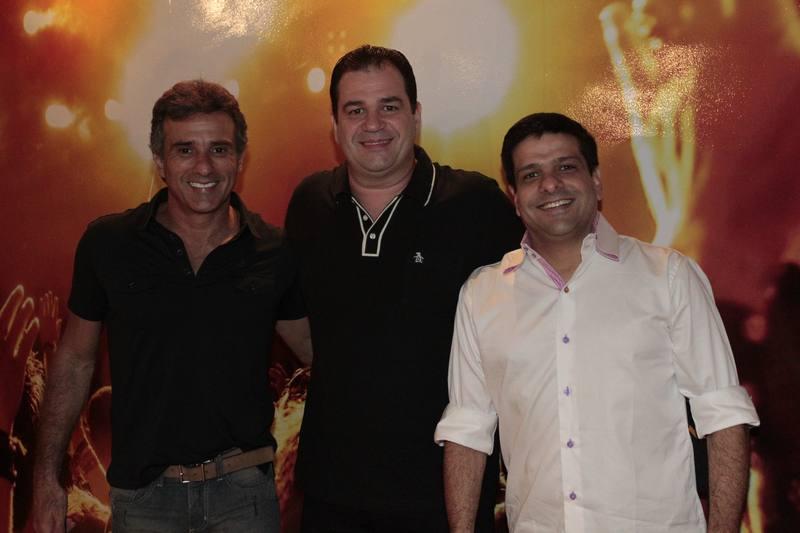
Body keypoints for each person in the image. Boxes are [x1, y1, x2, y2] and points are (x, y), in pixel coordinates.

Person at [435, 112, 760, 532]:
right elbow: (467, 432)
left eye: (565, 167)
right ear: (514, 196)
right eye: (531, 175)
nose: (550, 184)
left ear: (597, 180)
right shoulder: (482, 295)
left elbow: (724, 416)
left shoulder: (668, 276)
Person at [32, 80, 311, 533]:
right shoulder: (109, 244)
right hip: (144, 500)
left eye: (219, 149)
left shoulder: (275, 251)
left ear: (240, 158)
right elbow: (75, 361)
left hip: (244, 499)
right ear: (160, 161)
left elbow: (320, 353)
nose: (204, 166)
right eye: (185, 150)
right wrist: (46, 478)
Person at [285, 45, 523, 532]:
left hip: (445, 491)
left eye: (389, 106)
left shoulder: (475, 204)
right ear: (335, 125)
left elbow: (526, 325)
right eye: (355, 110)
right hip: (332, 490)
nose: (373, 124)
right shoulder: (310, 203)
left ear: (415, 116)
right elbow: (301, 326)